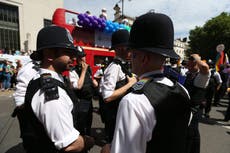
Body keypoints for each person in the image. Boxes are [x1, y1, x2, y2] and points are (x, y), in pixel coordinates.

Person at [101, 12, 191, 153]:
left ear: (143, 58)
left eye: (133, 53)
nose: (130, 57)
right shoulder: (182, 90)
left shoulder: (133, 101)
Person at [19, 25, 94, 153]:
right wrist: (88, 141)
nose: (74, 58)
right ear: (49, 54)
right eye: (68, 53)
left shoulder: (42, 80)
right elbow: (70, 145)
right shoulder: (51, 92)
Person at [99, 29, 137, 143]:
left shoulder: (123, 65)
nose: (132, 51)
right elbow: (107, 96)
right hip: (114, 116)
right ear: (121, 48)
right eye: (130, 48)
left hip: (121, 114)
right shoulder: (114, 68)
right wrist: (130, 84)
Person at [184, 54, 210, 153]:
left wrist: (197, 58)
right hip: (188, 108)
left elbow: (205, 67)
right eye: (188, 65)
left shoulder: (202, 76)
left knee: (192, 134)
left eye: (191, 65)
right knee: (190, 133)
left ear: (197, 64)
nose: (188, 67)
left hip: (195, 109)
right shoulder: (189, 74)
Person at [69, 46, 98, 136]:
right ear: (76, 59)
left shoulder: (88, 69)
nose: (83, 59)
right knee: (81, 124)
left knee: (89, 122)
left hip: (89, 101)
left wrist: (94, 82)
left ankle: (87, 138)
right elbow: (78, 86)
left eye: (83, 56)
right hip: (80, 101)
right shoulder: (73, 71)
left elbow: (90, 80)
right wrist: (83, 71)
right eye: (80, 57)